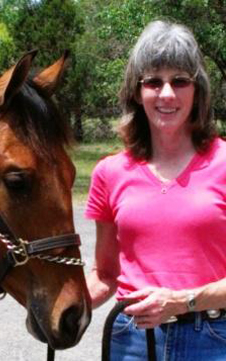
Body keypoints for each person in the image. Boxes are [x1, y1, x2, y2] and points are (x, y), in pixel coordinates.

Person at [85, 20, 226, 361]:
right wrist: (56, 303)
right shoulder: (109, 172)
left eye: (180, 81)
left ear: (198, 91)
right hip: (131, 341)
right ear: (137, 91)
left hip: (214, 340)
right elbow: (105, 274)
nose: (167, 94)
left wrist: (183, 301)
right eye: (153, 81)